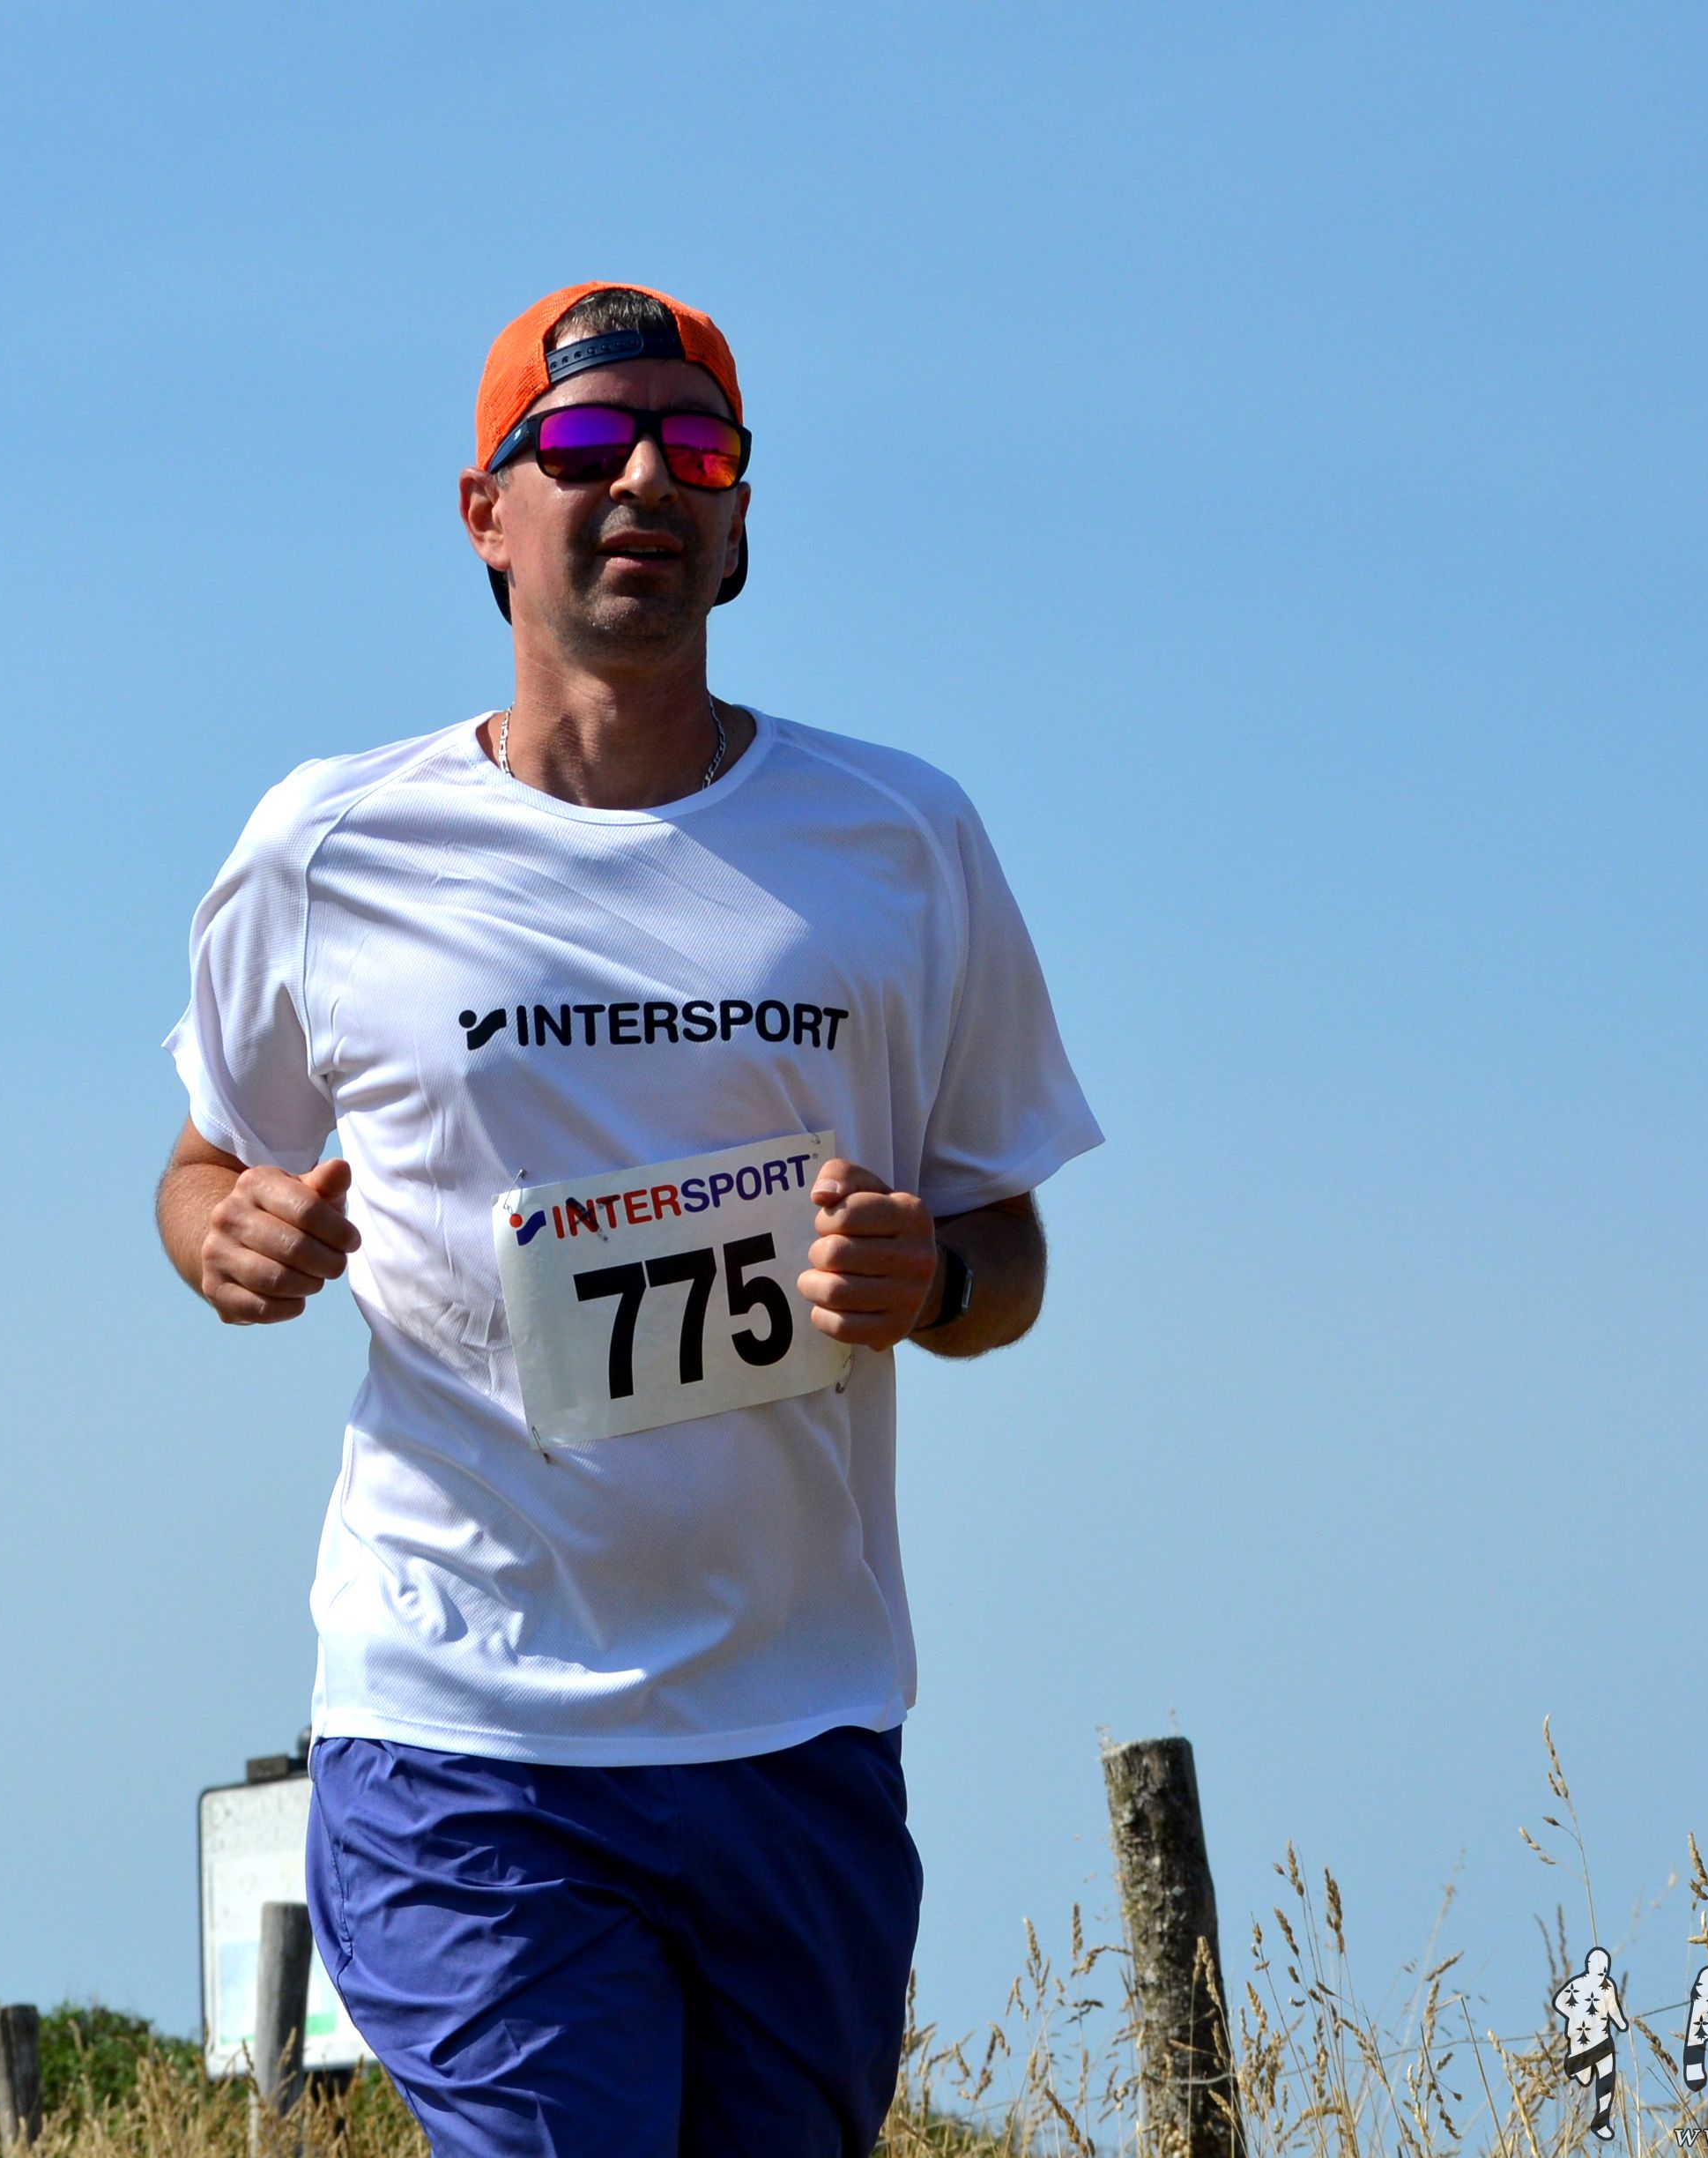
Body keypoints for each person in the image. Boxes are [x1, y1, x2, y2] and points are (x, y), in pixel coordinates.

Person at [154, 281, 1102, 2156]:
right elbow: (202, 1170)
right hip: (462, 1725)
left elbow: (1008, 1254)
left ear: (741, 522)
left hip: (795, 1727)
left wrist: (932, 1274)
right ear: (487, 515)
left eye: (699, 449)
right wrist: (228, 1241)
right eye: (586, 444)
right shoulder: (332, 846)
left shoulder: (899, 843)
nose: (648, 481)